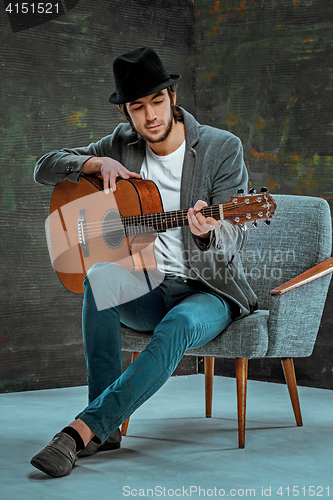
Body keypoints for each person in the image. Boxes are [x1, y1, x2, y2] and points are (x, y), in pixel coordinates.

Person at [31, 47, 257, 477]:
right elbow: (44, 167)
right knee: (99, 276)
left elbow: (236, 234)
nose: (150, 116)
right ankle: (108, 428)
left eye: (157, 101)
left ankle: (83, 430)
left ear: (172, 96)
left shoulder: (221, 148)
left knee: (180, 323)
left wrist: (210, 231)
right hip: (149, 286)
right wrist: (94, 162)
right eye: (138, 107)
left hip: (209, 291)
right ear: (127, 111)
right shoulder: (120, 143)